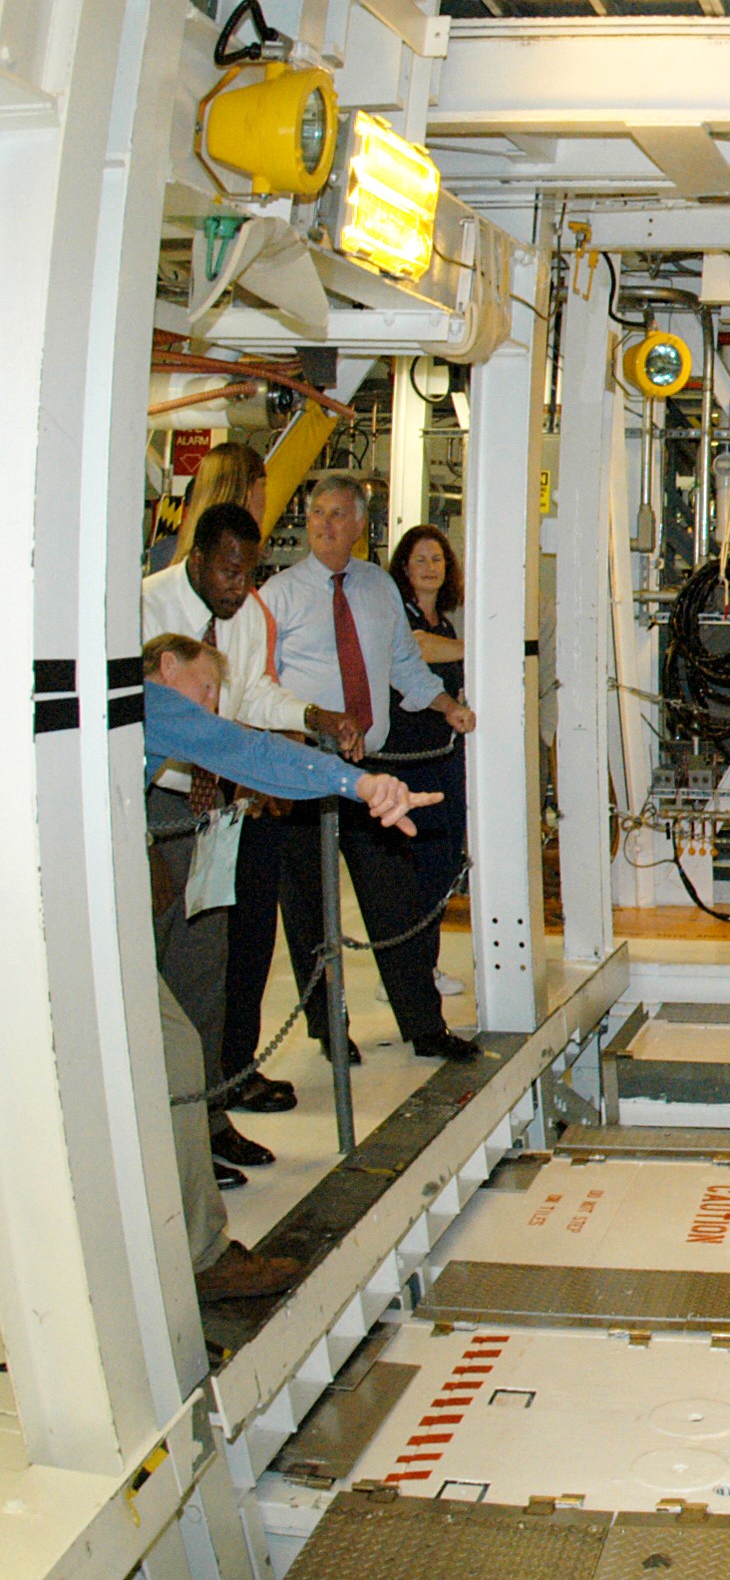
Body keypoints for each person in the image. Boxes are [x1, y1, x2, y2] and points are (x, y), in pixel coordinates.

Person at [141, 637, 435, 1303]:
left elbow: (244, 746)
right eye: (205, 686)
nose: (210, 704)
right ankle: (198, 1257)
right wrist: (360, 782)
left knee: (173, 1053)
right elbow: (241, 748)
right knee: (173, 1051)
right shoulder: (146, 704)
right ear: (166, 670)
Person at [142, 502, 364, 1168]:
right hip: (154, 807)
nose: (240, 586)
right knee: (148, 987)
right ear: (201, 559)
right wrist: (139, 838)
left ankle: (207, 1122)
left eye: (249, 572)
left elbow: (251, 700)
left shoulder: (246, 617)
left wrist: (313, 712)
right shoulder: (144, 608)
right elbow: (177, 724)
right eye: (230, 572)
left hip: (213, 808)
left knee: (206, 969)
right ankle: (160, 1143)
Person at [237, 473, 479, 1067]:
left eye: (337, 513)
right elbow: (256, 681)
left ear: (361, 525)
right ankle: (329, 1032)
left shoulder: (375, 589)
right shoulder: (280, 595)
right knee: (310, 912)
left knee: (393, 899)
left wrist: (448, 705)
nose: (322, 523)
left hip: (369, 769)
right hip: (302, 771)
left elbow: (403, 666)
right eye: (316, 512)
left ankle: (425, 1025)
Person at [384, 524, 469, 939]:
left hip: (445, 756)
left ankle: (426, 961)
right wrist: (483, 647)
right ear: (404, 566)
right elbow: (418, 648)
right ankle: (409, 961)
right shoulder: (400, 616)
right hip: (409, 759)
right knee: (425, 858)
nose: (430, 567)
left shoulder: (448, 624)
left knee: (448, 856)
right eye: (420, 559)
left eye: (437, 559)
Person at [154, 437, 267, 575]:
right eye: (263, 485)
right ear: (245, 492)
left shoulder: (169, 555)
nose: (265, 497)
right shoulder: (224, 576)